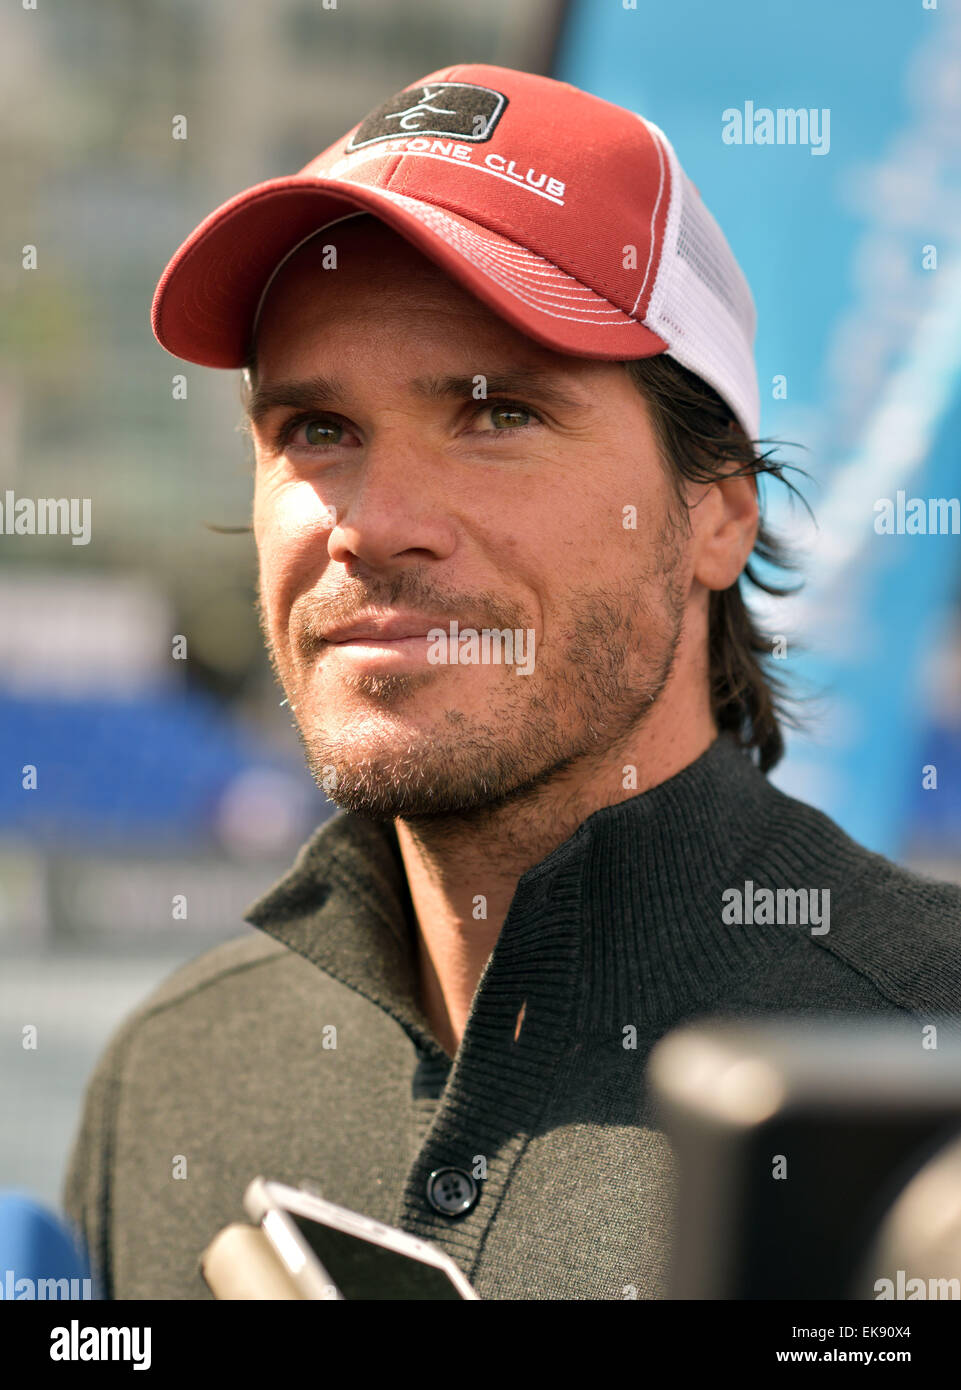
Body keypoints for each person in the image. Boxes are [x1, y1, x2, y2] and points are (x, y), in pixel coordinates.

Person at [64, 63, 961, 1300]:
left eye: (495, 415)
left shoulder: (933, 1058)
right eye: (315, 430)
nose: (373, 525)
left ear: (717, 516)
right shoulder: (173, 1072)